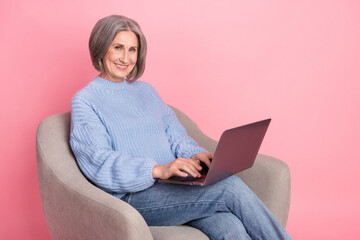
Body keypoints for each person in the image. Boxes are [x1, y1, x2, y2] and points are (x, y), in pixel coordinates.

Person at [70, 14, 292, 240]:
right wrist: (157, 170)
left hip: (171, 186)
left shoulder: (146, 91)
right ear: (101, 47)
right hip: (132, 197)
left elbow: (175, 135)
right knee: (229, 188)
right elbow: (98, 161)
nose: (126, 58)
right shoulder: (86, 101)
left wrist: (196, 155)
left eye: (132, 50)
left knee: (230, 226)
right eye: (118, 47)